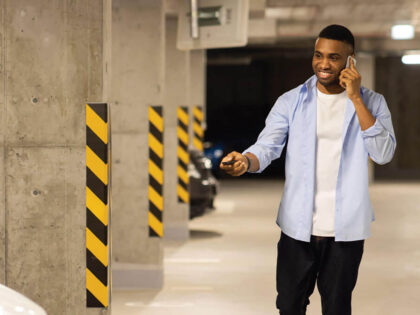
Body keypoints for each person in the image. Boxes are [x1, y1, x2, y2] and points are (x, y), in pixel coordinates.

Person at [219, 24, 396, 315]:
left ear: (351, 61)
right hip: (297, 228)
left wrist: (355, 99)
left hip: (346, 231)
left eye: (334, 57)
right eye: (318, 55)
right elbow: (267, 146)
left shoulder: (373, 102)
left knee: (337, 308)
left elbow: (384, 154)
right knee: (288, 306)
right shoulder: (291, 101)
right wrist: (246, 161)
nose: (324, 64)